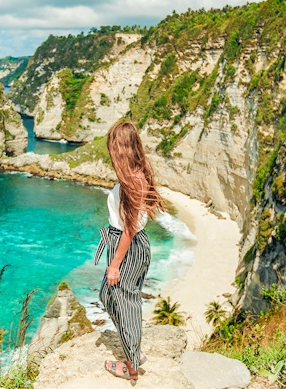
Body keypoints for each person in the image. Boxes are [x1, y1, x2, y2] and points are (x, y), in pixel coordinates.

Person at [94, 120, 163, 381]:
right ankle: (135, 352)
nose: (110, 152)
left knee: (126, 301)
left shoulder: (133, 181)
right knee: (108, 295)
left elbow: (129, 229)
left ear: (122, 148)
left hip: (128, 247)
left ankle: (132, 366)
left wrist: (114, 265)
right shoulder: (134, 175)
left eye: (113, 147)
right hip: (126, 245)